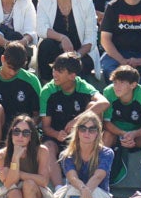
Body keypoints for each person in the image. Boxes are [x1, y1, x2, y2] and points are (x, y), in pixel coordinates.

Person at [40, 52, 111, 184]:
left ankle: (91, 182)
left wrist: (77, 120)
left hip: (81, 136)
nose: (54, 74)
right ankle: (58, 189)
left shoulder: (82, 86)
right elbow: (45, 127)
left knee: (93, 106)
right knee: (47, 147)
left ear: (72, 76)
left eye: (60, 71)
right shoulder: (47, 91)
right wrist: (56, 134)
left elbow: (104, 103)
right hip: (57, 137)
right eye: (54, 69)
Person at [37, 0, 99, 81]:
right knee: (46, 45)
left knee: (75, 68)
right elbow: (41, 29)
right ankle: (46, 87)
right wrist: (63, 38)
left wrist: (75, 56)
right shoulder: (44, 0)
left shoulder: (86, 1)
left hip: (81, 53)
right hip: (56, 50)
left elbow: (91, 39)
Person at [0, 43, 44, 156]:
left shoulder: (32, 81)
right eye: (10, 67)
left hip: (23, 132)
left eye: (17, 69)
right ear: (2, 59)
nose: (12, 72)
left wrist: (22, 130)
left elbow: (39, 113)